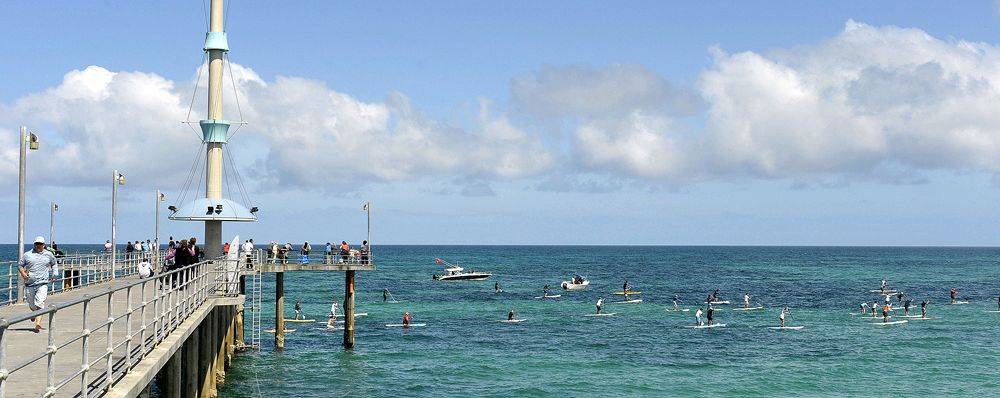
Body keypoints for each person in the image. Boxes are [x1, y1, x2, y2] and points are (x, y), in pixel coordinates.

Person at [19, 237, 57, 333]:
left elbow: (54, 264)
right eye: (36, 244)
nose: (38, 245)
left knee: (40, 302)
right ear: (34, 244)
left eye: (40, 244)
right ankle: (34, 313)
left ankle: (38, 324)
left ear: (44, 245)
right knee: (32, 305)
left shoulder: (49, 254)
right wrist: (23, 273)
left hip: (42, 283)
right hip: (30, 283)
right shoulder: (27, 255)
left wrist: (55, 274)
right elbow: (20, 265)